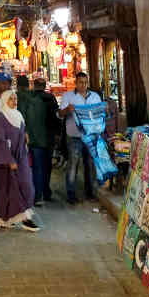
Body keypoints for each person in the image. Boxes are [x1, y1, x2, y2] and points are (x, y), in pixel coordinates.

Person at [0, 90, 39, 231]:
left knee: (27, 185)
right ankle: (24, 219)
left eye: (15, 98)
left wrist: (25, 135)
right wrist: (9, 159)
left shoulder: (18, 115)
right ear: (5, 101)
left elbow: (20, 130)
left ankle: (19, 217)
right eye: (11, 99)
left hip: (21, 155)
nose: (14, 101)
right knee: (8, 189)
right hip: (7, 159)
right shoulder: (0, 117)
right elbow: (0, 139)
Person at [59, 72, 102, 204]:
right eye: (80, 82)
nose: (83, 85)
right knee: (73, 164)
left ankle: (90, 193)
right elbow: (60, 114)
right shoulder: (68, 96)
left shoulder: (95, 97)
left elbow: (100, 113)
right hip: (74, 136)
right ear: (76, 83)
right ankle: (71, 194)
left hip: (90, 136)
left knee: (90, 164)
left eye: (85, 82)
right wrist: (67, 110)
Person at [16, 76, 48, 206]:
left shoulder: (16, 99)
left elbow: (19, 120)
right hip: (40, 138)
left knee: (23, 167)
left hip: (25, 138)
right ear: (29, 85)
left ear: (17, 85)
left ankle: (25, 195)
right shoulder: (38, 99)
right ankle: (38, 196)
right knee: (38, 168)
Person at [33, 78, 60, 204]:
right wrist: (57, 134)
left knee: (37, 166)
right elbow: (56, 117)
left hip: (35, 137)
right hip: (49, 136)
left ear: (34, 86)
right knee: (47, 165)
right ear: (44, 86)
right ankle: (46, 191)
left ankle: (37, 195)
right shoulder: (51, 98)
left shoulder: (30, 99)